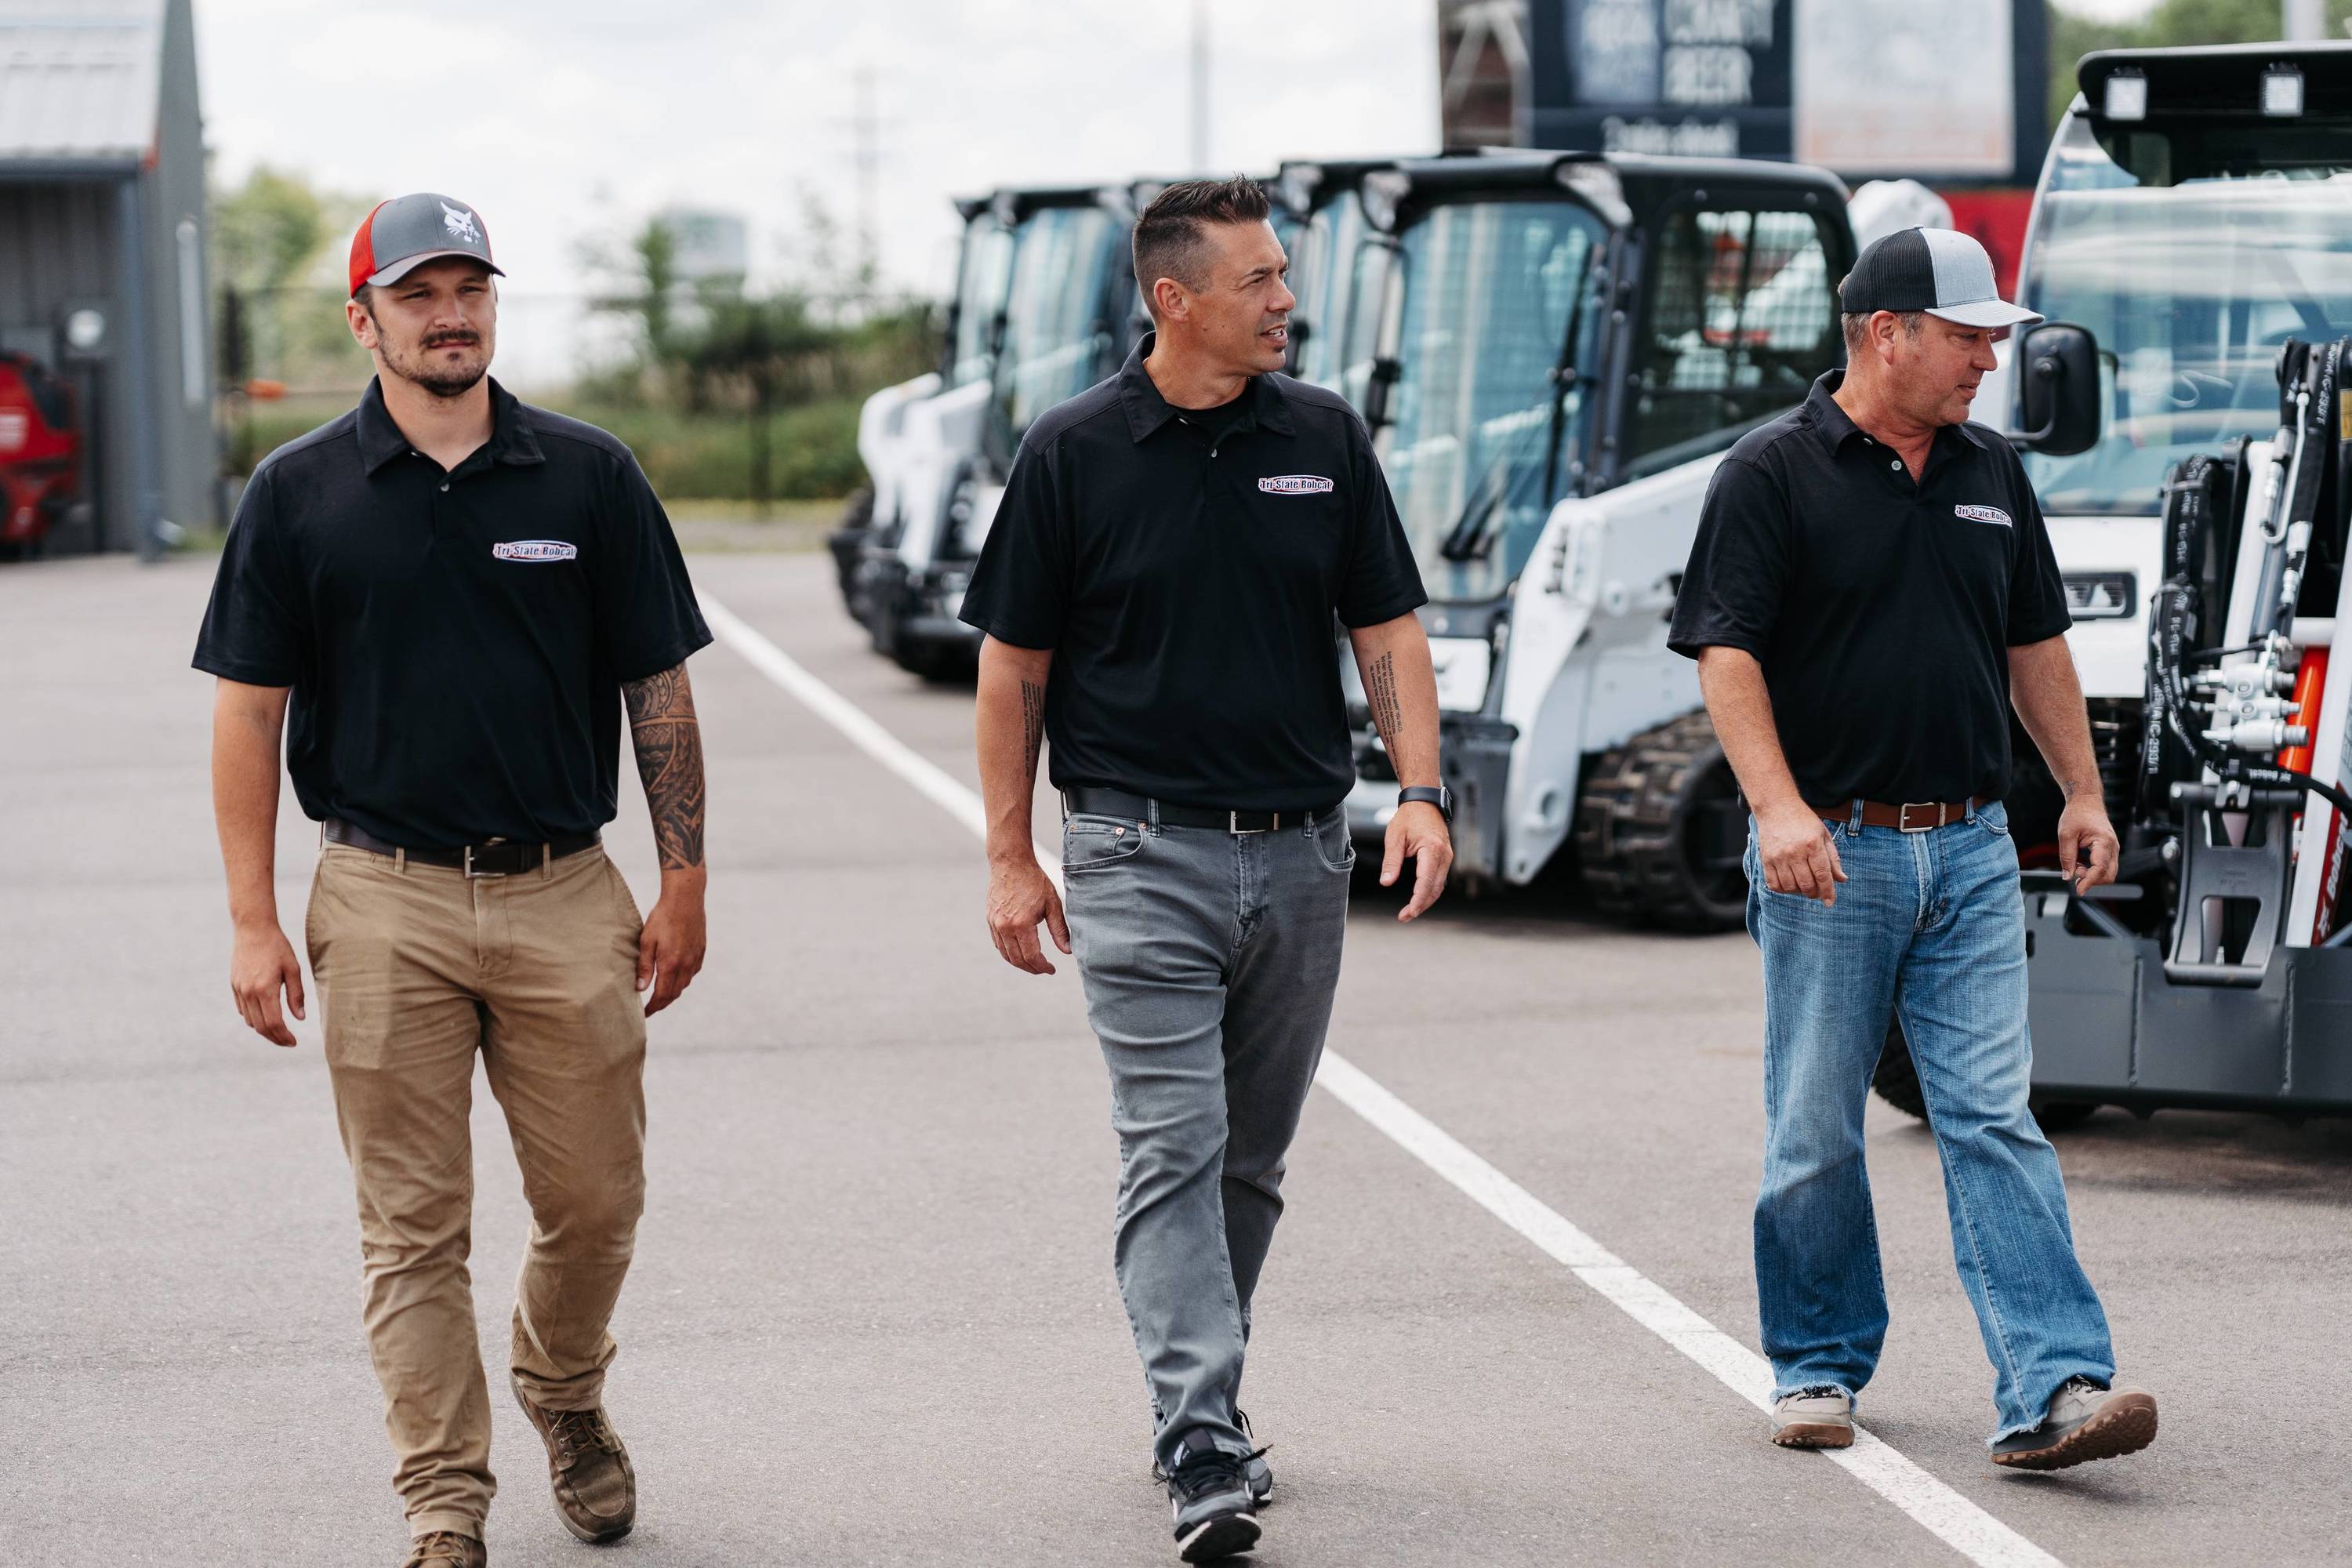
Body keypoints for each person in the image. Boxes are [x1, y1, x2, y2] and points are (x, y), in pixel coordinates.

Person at [193, 192, 713, 1568]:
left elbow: (656, 686)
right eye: (419, 295)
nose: (451, 316)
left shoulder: (587, 475)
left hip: (563, 889)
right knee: (411, 1231)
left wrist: (685, 877)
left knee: (597, 1203)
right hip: (381, 898)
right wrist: (252, 920)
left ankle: (563, 1386)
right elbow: (249, 714)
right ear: (364, 321)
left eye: (470, 289)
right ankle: (444, 1505)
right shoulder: (297, 492)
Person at [960, 176, 1454, 1563]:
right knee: (1173, 1144)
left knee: (1250, 1159)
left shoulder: (1324, 436)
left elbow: (1387, 630)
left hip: (1302, 854)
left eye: (1284, 274)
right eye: (1260, 281)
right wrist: (1011, 856)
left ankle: (1203, 1402)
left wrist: (1420, 793)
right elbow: (1013, 669)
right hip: (1135, 852)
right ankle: (1200, 1434)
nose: (1287, 300)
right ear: (1174, 301)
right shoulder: (1073, 451)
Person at [1670, 227, 2158, 1469]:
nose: (1990, 360)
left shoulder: (1991, 470)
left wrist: (2081, 793)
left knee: (1994, 1116)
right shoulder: (1771, 472)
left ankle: (2055, 1384)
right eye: (1968, 337)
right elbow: (1727, 653)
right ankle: (1818, 1363)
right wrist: (1778, 809)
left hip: (1975, 849)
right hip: (1835, 855)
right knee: (1816, 1122)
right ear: (1888, 334)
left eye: (1994, 339)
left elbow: (2035, 644)